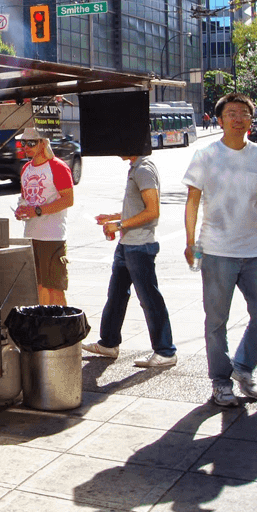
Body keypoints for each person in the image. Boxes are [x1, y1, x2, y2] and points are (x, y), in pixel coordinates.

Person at [182, 93, 257, 407]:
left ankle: (243, 367)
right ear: (220, 119)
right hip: (216, 249)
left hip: (255, 248)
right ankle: (220, 382)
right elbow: (193, 201)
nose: (238, 118)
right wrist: (189, 242)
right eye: (231, 113)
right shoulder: (206, 155)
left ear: (252, 120)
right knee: (216, 321)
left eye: (243, 113)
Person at [84, 149, 176, 368]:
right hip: (127, 245)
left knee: (150, 299)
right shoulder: (136, 168)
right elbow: (138, 208)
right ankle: (108, 343)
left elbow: (152, 211)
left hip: (140, 246)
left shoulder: (143, 169)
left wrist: (119, 225)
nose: (115, 148)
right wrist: (115, 217)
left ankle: (165, 351)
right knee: (116, 295)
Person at [12, 127, 75, 305]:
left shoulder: (57, 167)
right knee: (38, 287)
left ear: (43, 143)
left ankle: (62, 327)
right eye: (23, 142)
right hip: (31, 236)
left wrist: (38, 210)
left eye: (31, 142)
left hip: (52, 237)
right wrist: (21, 210)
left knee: (55, 288)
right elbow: (25, 198)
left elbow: (68, 200)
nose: (26, 146)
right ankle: (45, 325)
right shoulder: (26, 168)